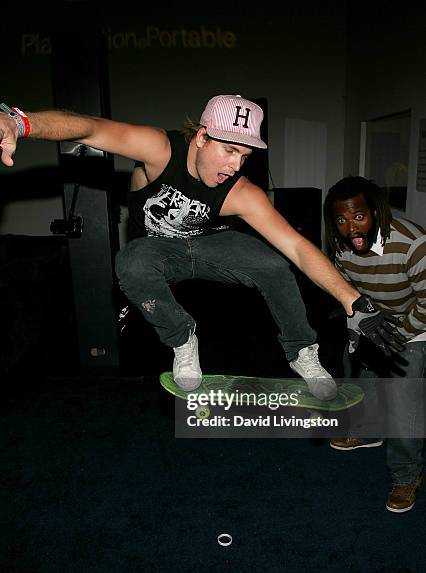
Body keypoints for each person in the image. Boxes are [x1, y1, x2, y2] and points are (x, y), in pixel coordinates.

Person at [0, 96, 404, 398]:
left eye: (243, 155)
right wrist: (20, 123)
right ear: (200, 137)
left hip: (214, 245)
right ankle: (182, 339)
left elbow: (298, 247)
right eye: (228, 150)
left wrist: (354, 300)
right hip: (160, 249)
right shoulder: (159, 149)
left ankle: (302, 352)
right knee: (131, 262)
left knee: (274, 265)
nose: (234, 165)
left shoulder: (241, 193)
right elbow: (87, 127)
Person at [323, 175, 425, 512]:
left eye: (359, 216)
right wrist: (360, 327)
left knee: (402, 397)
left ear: (376, 213)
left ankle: (407, 474)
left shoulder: (412, 244)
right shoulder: (341, 247)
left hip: (417, 321)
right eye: (340, 219)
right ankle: (368, 430)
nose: (350, 228)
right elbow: (350, 294)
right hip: (376, 319)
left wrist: (395, 339)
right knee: (358, 370)